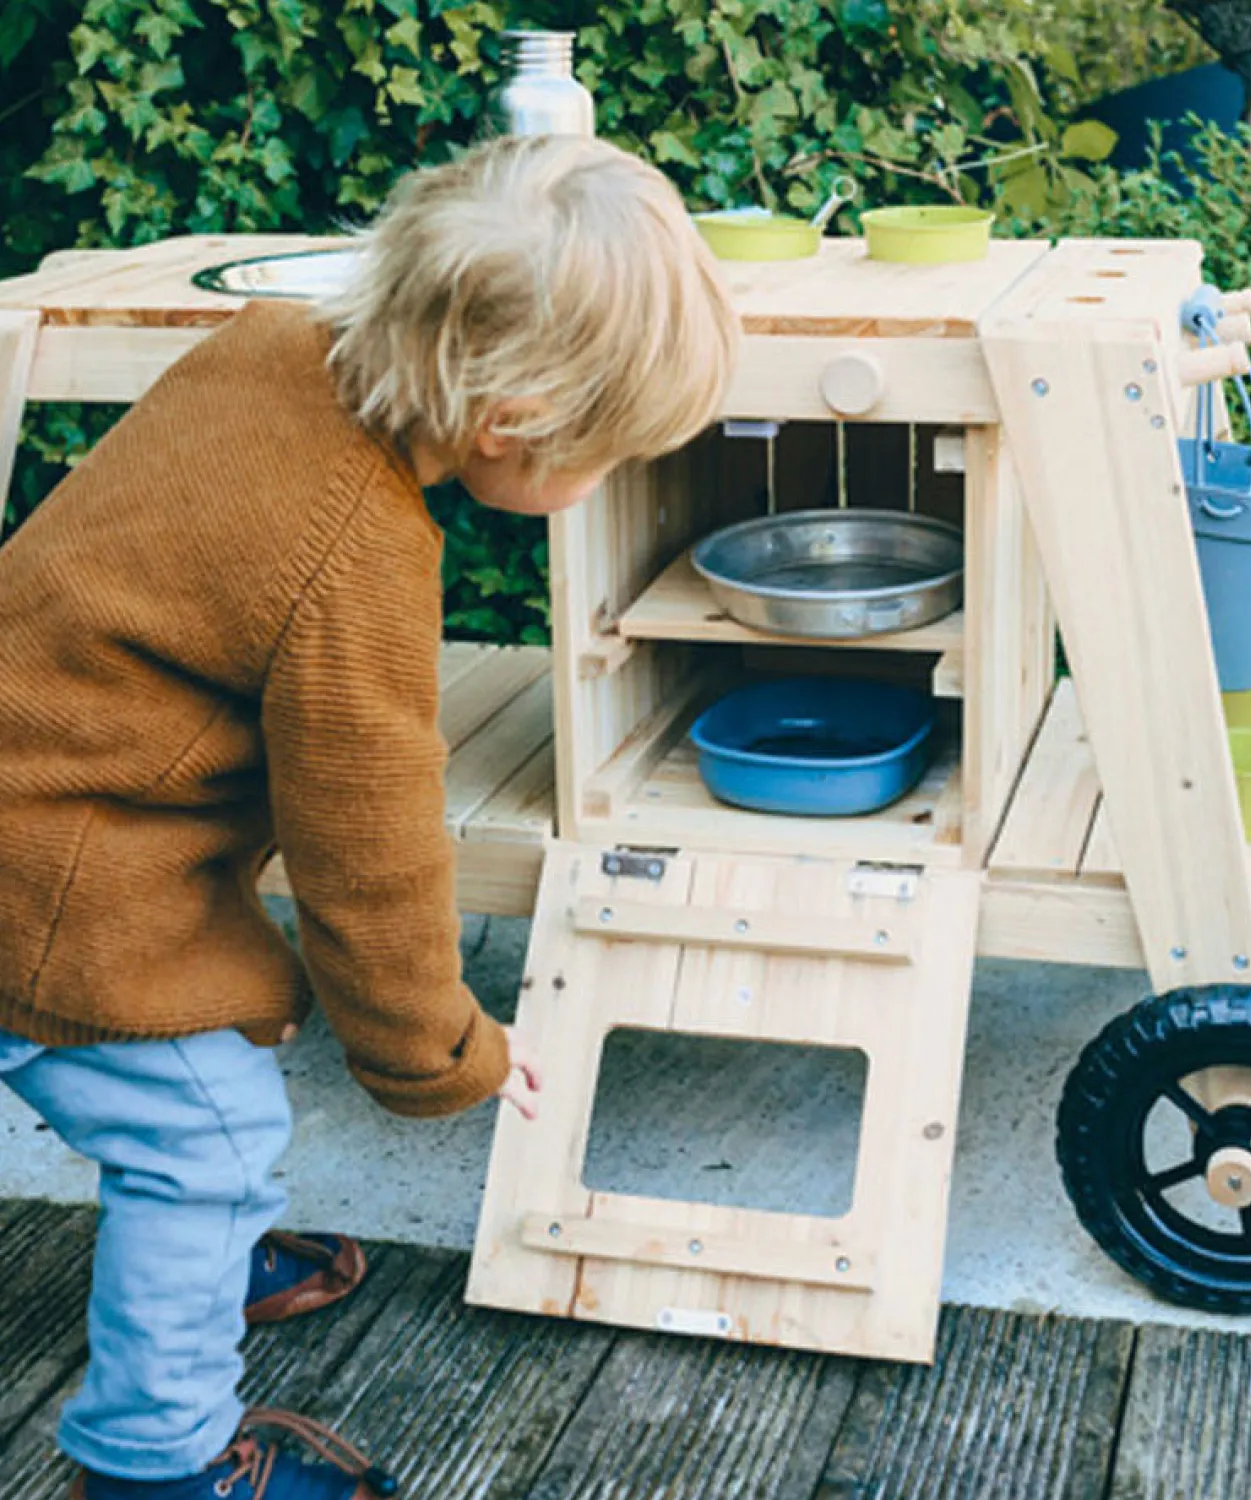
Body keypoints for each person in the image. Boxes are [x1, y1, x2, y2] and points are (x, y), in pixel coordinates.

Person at [0, 133, 738, 1500]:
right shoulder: (359, 553)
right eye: (604, 454)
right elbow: (370, 853)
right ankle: (154, 1459)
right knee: (205, 1145)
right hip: (47, 872)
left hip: (38, 789)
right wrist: (434, 1049)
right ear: (508, 421)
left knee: (192, 1106)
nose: (601, 483)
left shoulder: (273, 348)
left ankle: (187, 1268)